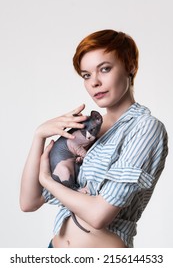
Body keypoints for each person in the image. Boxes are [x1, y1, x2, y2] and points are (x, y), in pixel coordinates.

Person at [20, 29, 168, 248]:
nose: (94, 82)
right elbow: (28, 202)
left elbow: (99, 215)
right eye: (86, 75)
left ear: (130, 66)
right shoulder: (87, 126)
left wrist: (48, 181)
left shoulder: (145, 128)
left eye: (105, 69)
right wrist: (39, 135)